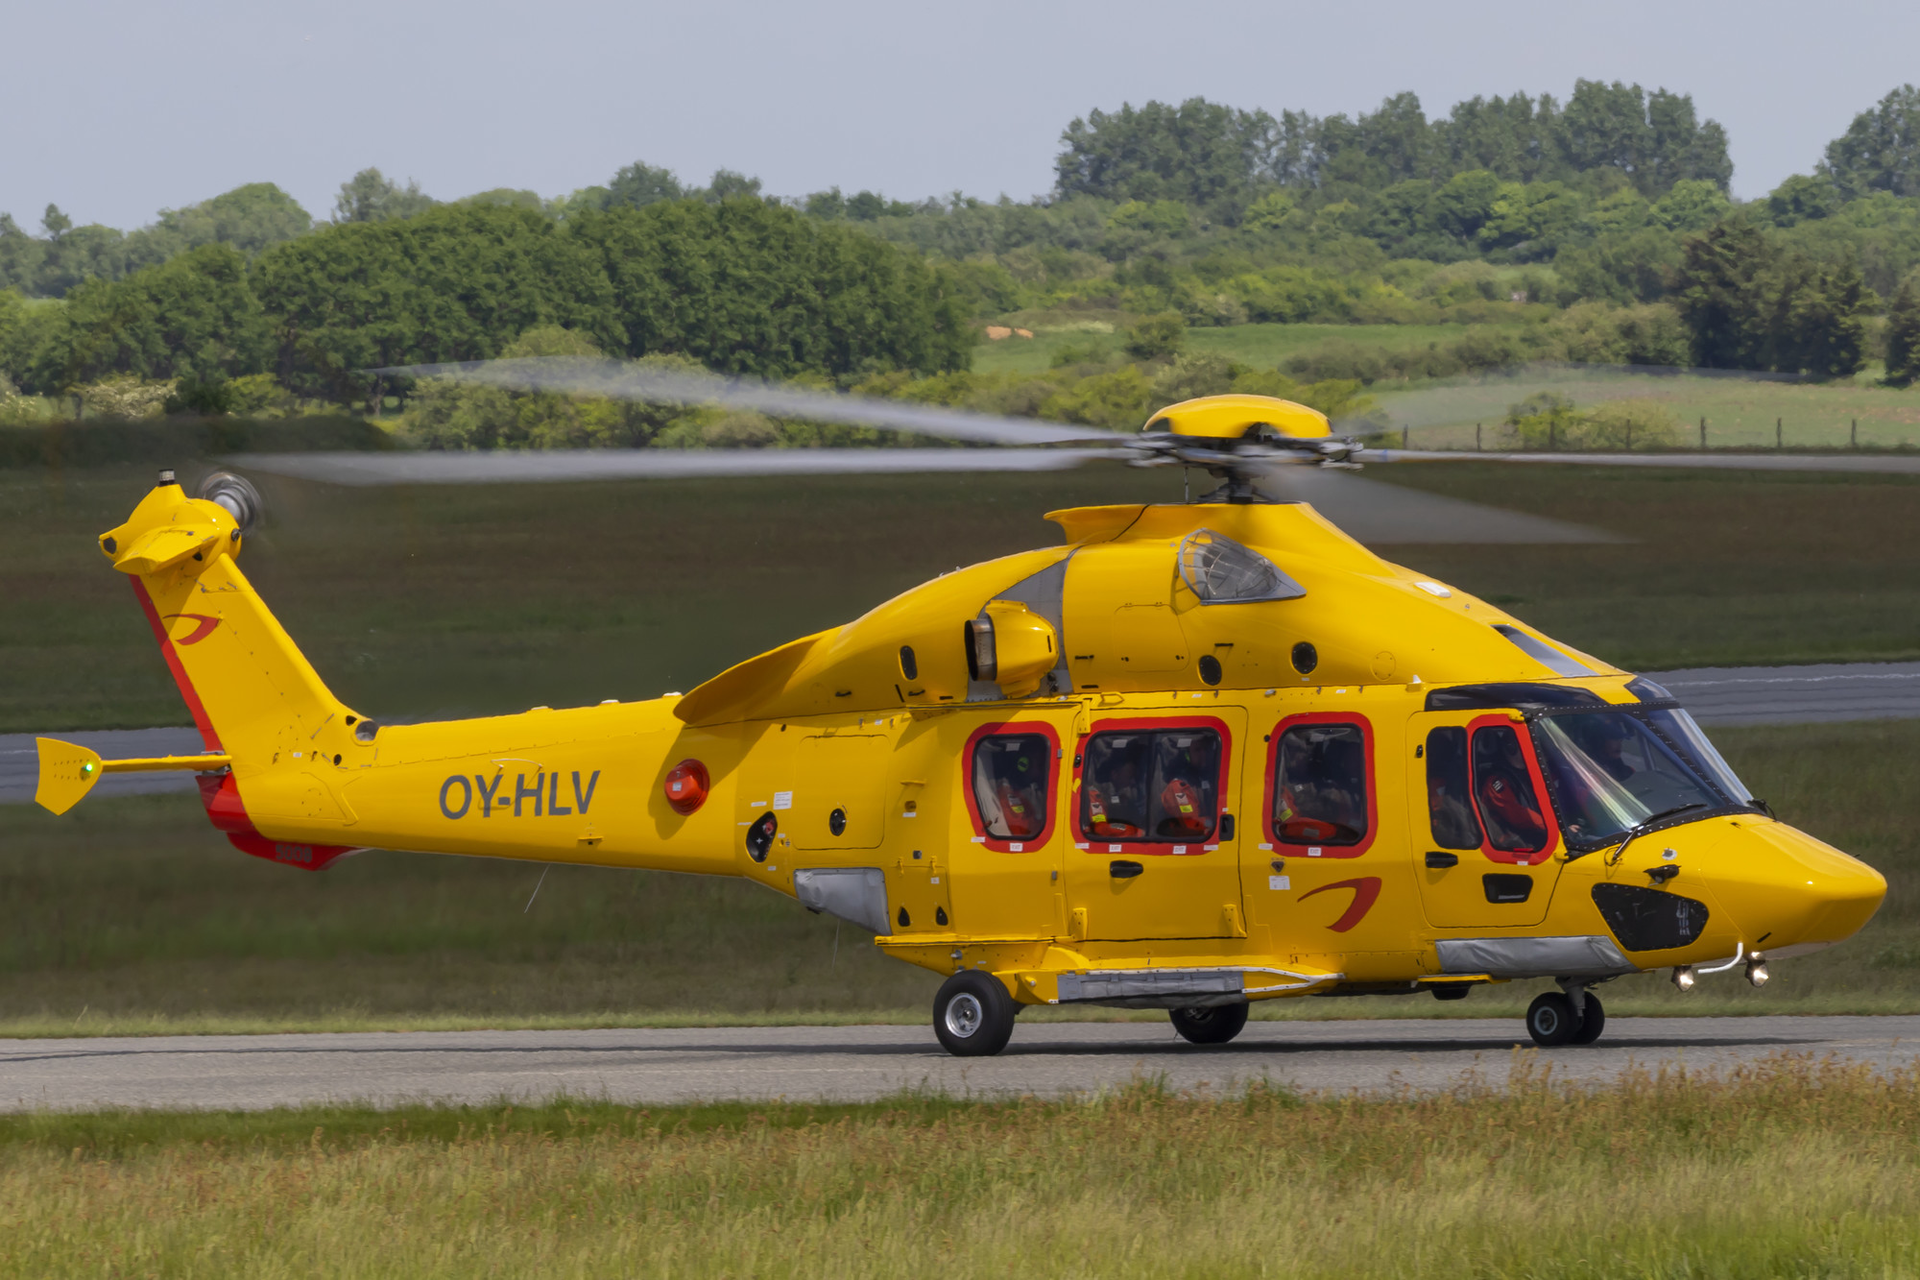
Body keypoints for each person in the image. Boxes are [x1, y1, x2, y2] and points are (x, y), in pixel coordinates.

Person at [1475, 727, 1547, 852]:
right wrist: (1551, 826)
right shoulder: (1496, 781)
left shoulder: (1532, 772)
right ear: (1511, 748)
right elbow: (1517, 815)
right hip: (1512, 842)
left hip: (1537, 832)